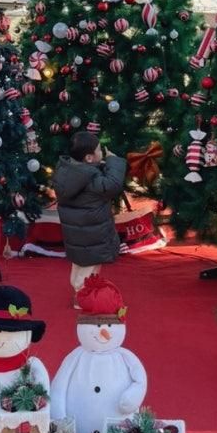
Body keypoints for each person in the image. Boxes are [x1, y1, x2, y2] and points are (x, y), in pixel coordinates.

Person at [52, 131, 127, 308]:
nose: (102, 153)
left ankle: (79, 289)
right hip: (92, 233)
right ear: (88, 158)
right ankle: (83, 297)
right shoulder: (90, 180)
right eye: (99, 150)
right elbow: (113, 184)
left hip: (78, 232)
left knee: (80, 262)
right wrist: (113, 161)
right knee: (90, 266)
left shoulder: (67, 170)